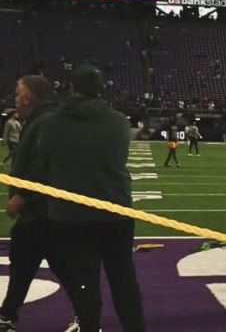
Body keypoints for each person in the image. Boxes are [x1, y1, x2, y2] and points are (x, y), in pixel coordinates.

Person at [37, 65, 145, 332]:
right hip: (115, 210)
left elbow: (44, 164)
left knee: (84, 282)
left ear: (72, 89)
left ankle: (88, 327)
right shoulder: (119, 121)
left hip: (70, 215)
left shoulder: (51, 123)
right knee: (123, 279)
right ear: (101, 90)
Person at [0, 76, 60, 331]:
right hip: (42, 212)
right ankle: (7, 314)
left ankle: (7, 316)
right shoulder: (40, 121)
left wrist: (21, 196)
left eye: (17, 94)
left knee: (31, 263)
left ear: (27, 98)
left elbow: (43, 164)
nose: (14, 98)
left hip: (40, 211)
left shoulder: (44, 122)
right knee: (27, 263)